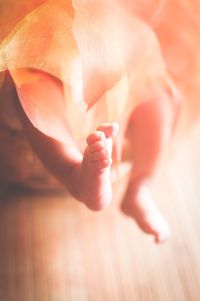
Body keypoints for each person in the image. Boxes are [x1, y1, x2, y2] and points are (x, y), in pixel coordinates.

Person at [1, 0, 199, 242]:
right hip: (42, 39)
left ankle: (140, 186)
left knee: (158, 95)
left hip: (120, 41)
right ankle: (75, 173)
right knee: (32, 96)